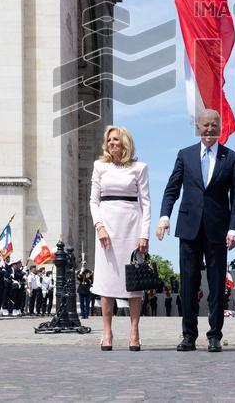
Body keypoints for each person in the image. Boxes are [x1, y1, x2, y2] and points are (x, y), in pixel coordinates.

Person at [157, 109, 235, 353]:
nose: (209, 129)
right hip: (188, 229)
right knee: (188, 283)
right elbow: (171, 189)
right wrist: (165, 216)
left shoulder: (232, 158)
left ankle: (215, 335)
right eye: (205, 125)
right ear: (198, 127)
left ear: (220, 127)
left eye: (214, 125)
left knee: (216, 285)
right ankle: (188, 335)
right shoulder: (185, 155)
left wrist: (234, 229)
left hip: (218, 231)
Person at [89, 125, 151, 351]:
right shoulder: (99, 166)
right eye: (109, 140)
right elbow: (93, 201)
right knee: (107, 283)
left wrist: (144, 234)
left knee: (134, 282)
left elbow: (145, 202)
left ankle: (134, 332)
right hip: (106, 229)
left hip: (131, 227)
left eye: (116, 139)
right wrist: (99, 227)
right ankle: (107, 332)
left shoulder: (140, 168)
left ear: (125, 143)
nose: (111, 143)